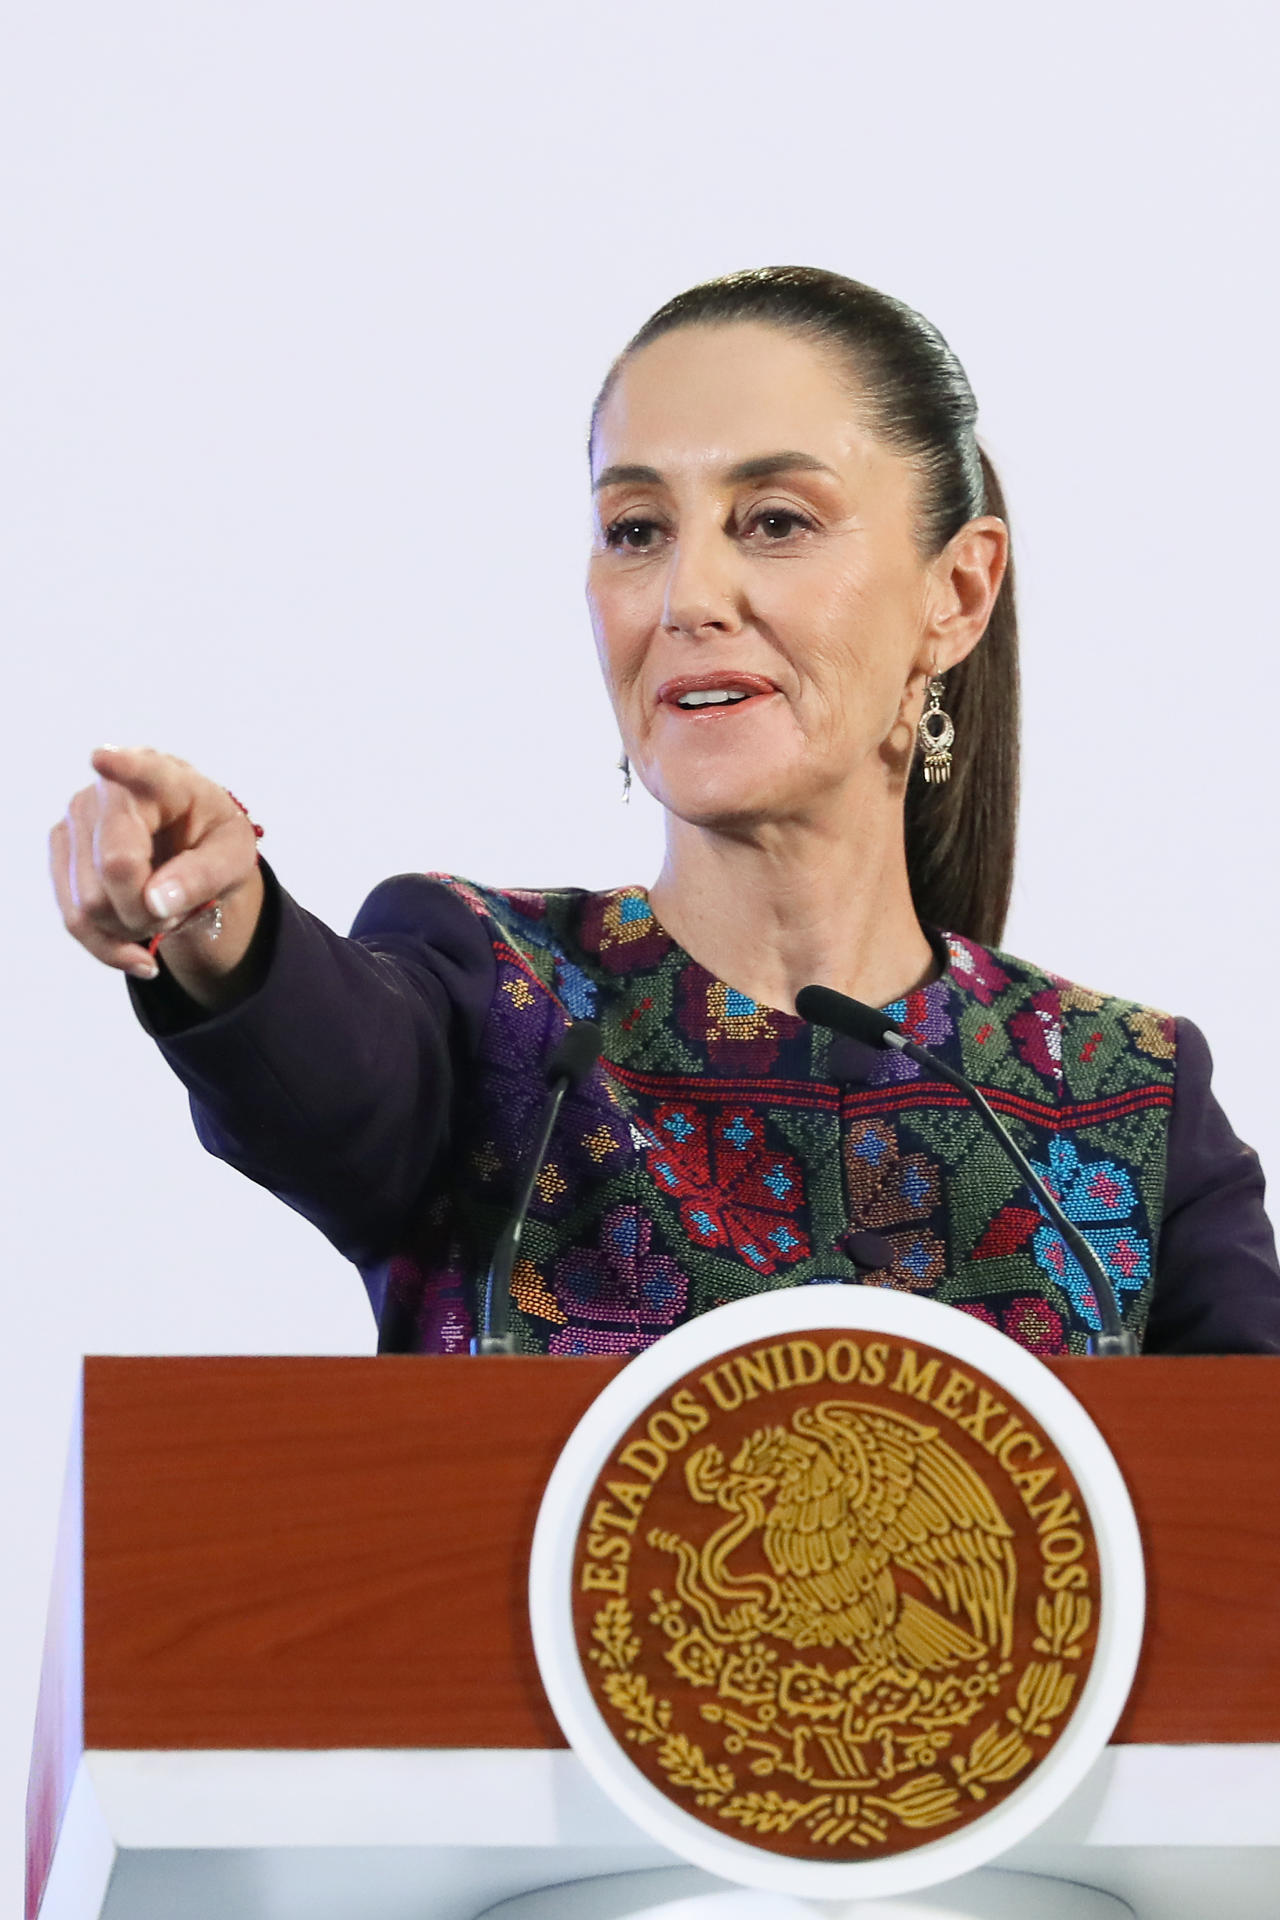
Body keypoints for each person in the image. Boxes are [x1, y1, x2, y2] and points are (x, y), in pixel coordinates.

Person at [49, 267, 1280, 1358]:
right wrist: (216, 918)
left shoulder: (1120, 1102)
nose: (687, 594)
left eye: (775, 522)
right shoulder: (496, 1000)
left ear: (955, 593)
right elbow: (323, 1066)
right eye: (635, 530)